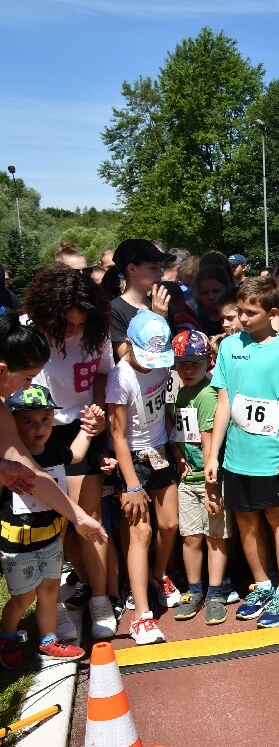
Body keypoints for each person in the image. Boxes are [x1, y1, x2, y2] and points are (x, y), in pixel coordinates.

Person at [205, 276, 279, 629]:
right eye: (240, 311)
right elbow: (223, 403)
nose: (244, 318)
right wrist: (212, 455)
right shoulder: (229, 347)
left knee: (277, 517)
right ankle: (262, 584)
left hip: (272, 452)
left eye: (251, 313)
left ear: (272, 313)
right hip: (236, 455)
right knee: (246, 521)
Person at [22, 268, 119, 638]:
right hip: (39, 430)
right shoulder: (28, 328)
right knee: (54, 524)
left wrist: (96, 414)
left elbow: (100, 376)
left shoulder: (97, 331)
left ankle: (99, 600)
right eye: (66, 324)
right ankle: (59, 606)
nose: (73, 331)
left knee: (87, 518)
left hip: (84, 427)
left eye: (81, 323)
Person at [0, 384, 105, 667]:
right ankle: (6, 637)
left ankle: (47, 640)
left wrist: (88, 429)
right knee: (23, 598)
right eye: (29, 421)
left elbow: (76, 455)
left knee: (49, 591)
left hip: (51, 541)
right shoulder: (9, 460)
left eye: (46, 419)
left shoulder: (53, 450)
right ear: (11, 424)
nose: (39, 427)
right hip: (19, 544)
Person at [107, 310, 179, 646]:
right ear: (128, 345)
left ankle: (158, 574)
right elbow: (118, 436)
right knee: (142, 531)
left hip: (161, 448)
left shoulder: (162, 365)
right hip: (133, 458)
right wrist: (132, 484)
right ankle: (142, 617)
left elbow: (162, 403)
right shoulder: (119, 378)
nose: (152, 363)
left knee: (169, 524)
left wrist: (172, 440)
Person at [168, 330, 231, 626]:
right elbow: (181, 433)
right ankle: (194, 590)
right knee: (190, 537)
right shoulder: (181, 393)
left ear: (208, 361)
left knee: (214, 536)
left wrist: (211, 488)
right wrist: (179, 454)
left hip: (209, 482)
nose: (188, 369)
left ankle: (216, 592)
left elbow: (209, 444)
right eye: (182, 363)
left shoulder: (206, 395)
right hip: (187, 479)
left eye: (194, 363)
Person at [101, 239, 172, 354]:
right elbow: (128, 357)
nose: (161, 273)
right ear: (132, 269)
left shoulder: (160, 305)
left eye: (161, 267)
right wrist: (158, 321)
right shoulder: (114, 311)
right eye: (153, 267)